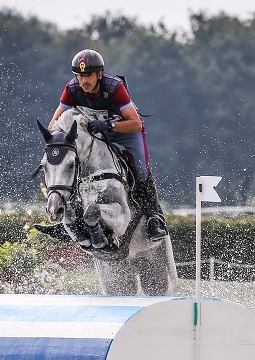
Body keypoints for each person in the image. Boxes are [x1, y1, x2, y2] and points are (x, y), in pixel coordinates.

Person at [48, 49, 168, 241]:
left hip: (125, 132)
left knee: (141, 170)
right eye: (80, 76)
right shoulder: (71, 89)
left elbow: (135, 124)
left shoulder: (115, 88)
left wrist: (109, 125)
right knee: (73, 161)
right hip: (95, 132)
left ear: (100, 74)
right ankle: (69, 215)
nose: (84, 81)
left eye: (89, 75)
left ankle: (154, 217)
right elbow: (54, 124)